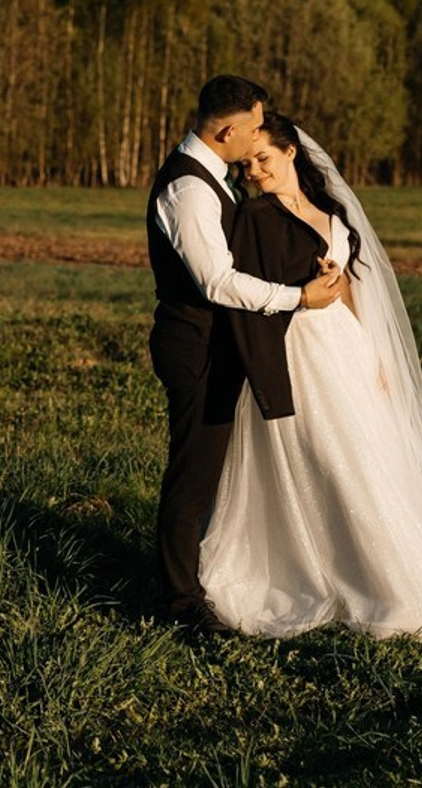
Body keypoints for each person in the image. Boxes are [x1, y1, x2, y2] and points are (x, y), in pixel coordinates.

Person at [199, 112, 422, 639]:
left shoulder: (332, 214)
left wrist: (373, 351)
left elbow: (352, 287)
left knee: (369, 458)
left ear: (291, 152)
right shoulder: (256, 217)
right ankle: (351, 577)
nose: (255, 172)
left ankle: (398, 581)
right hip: (297, 351)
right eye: (246, 165)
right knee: (330, 460)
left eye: (263, 159)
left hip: (345, 349)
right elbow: (249, 292)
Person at [146, 78, 344, 634]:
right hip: (196, 346)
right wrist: (297, 298)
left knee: (210, 472)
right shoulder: (189, 188)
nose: (259, 135)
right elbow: (216, 281)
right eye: (254, 127)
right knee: (193, 475)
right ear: (227, 130)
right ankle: (179, 603)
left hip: (219, 342)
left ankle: (201, 574)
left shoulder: (216, 177)